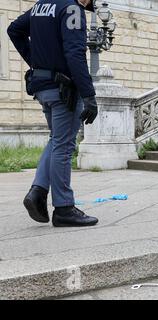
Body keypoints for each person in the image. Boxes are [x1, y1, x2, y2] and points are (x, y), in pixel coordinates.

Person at [8, 0, 99, 227]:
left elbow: (14, 30)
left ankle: (37, 192)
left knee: (57, 140)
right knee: (65, 145)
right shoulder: (71, 9)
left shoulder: (42, 5)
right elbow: (75, 52)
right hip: (63, 90)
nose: (88, 2)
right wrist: (88, 94)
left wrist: (37, 62)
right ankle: (64, 208)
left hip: (42, 86)